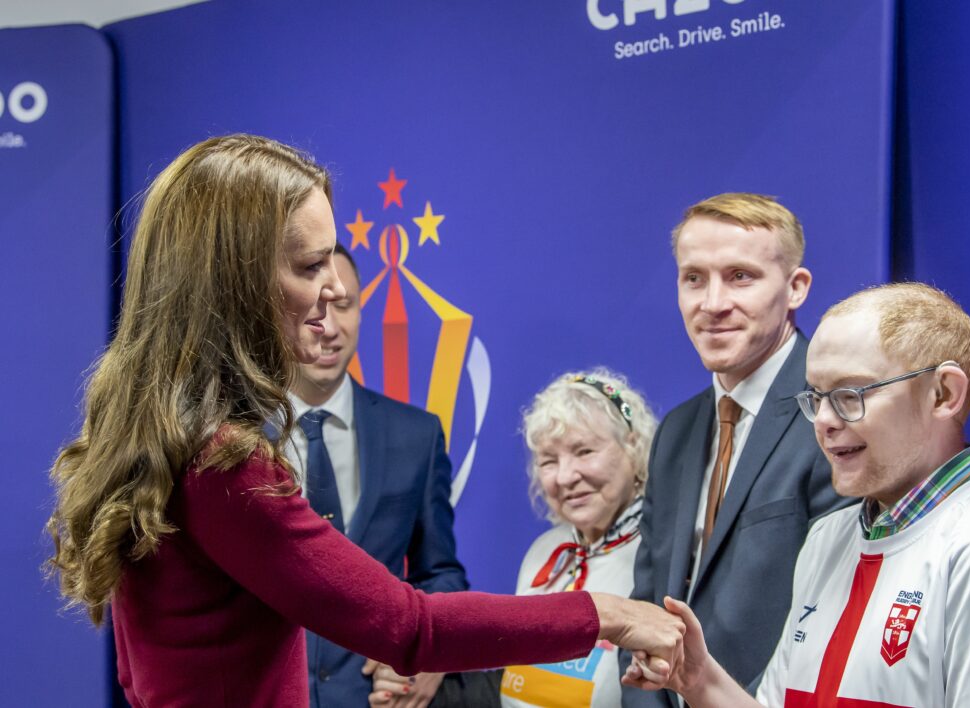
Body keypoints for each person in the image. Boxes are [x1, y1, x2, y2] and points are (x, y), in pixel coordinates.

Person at [44, 134, 686, 707]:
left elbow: (136, 678)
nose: (334, 288)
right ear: (235, 286)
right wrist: (610, 614)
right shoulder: (223, 462)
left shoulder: (156, 438)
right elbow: (414, 628)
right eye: (308, 265)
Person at [626, 283, 970, 707]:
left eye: (851, 394)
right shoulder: (827, 537)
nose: (824, 421)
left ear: (943, 393)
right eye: (816, 396)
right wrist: (701, 681)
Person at [622, 193, 850, 706]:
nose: (712, 303)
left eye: (741, 276)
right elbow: (645, 608)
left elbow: (839, 616)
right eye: (694, 278)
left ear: (796, 288)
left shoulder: (839, 418)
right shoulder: (677, 431)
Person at [283, 243, 468, 708]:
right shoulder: (230, 438)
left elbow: (441, 573)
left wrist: (432, 653)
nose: (329, 325)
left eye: (343, 304)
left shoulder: (417, 436)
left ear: (362, 311)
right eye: (312, 307)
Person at [498, 370, 658, 708]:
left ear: (634, 448)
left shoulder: (661, 555)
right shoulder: (543, 553)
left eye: (584, 451)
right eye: (549, 460)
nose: (566, 476)